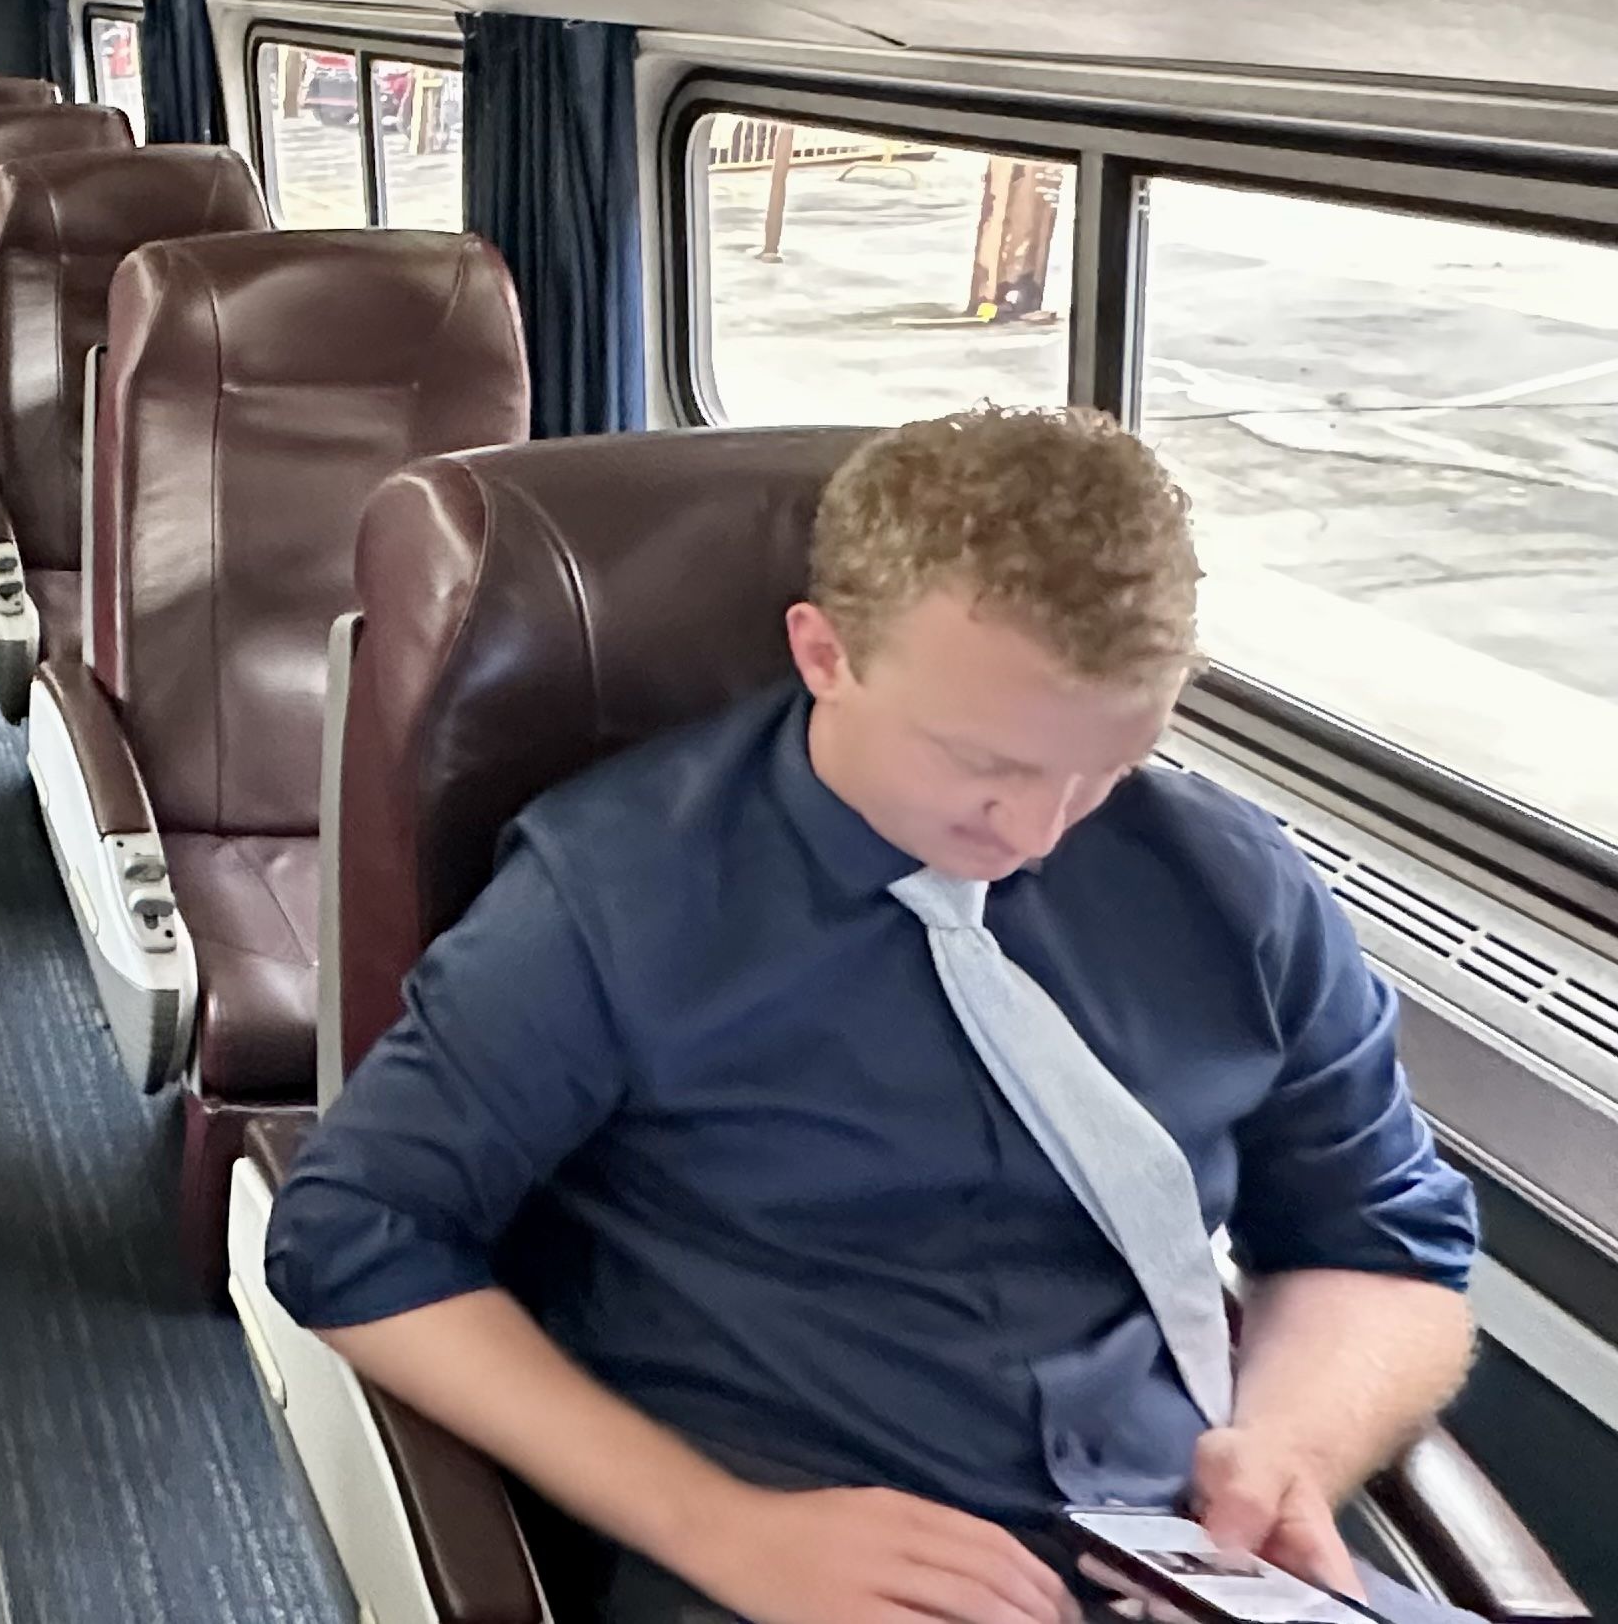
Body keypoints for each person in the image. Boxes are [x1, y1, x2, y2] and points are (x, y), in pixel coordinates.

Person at [266, 408, 1480, 1624]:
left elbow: (1379, 1243)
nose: (1036, 832)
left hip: (1183, 1560)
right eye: (980, 763)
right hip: (792, 1559)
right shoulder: (617, 899)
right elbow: (357, 1228)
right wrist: (723, 1529)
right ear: (825, 654)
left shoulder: (1232, 887)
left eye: (1103, 762)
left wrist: (1291, 1447)